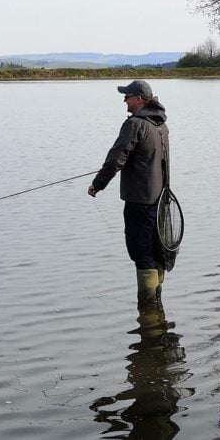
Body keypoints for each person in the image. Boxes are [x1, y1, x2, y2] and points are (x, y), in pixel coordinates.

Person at [87, 80, 170, 306]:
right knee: (156, 249)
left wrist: (98, 184)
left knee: (141, 250)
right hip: (160, 199)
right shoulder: (160, 124)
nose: (124, 100)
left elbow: (116, 158)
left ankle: (148, 307)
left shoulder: (135, 124)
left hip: (140, 199)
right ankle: (155, 306)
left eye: (128, 96)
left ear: (139, 100)